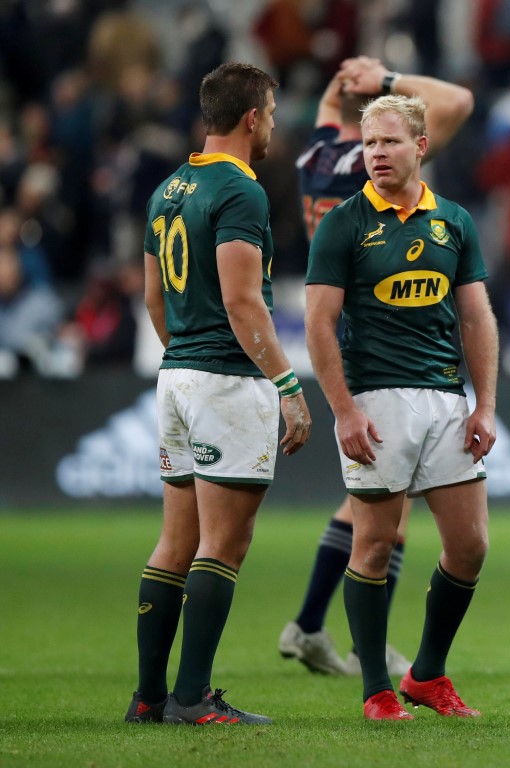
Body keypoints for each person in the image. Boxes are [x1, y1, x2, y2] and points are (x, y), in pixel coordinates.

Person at [126, 62, 313, 726]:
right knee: (223, 543)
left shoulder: (168, 189)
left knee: (174, 539)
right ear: (253, 117)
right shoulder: (241, 192)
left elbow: (153, 299)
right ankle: (193, 696)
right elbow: (242, 302)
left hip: (175, 386)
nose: (273, 125)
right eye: (272, 110)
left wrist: (183, 356)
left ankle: (149, 697)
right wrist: (289, 386)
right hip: (226, 390)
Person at [280, 55, 474, 678]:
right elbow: (457, 101)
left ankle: (316, 626)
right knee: (383, 520)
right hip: (380, 341)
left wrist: (341, 88)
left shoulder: (316, 158)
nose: (380, 150)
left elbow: (327, 122)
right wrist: (385, 80)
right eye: (377, 139)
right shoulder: (378, 174)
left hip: (355, 321)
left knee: (375, 514)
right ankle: (356, 644)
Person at [305, 94, 497, 721]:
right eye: (369, 144)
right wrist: (343, 410)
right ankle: (375, 691)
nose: (376, 154)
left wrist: (484, 403)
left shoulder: (456, 222)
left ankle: (426, 675)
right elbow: (318, 324)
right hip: (375, 400)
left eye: (389, 142)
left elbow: (475, 316)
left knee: (469, 547)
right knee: (375, 545)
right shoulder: (344, 223)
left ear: (420, 146)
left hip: (445, 398)